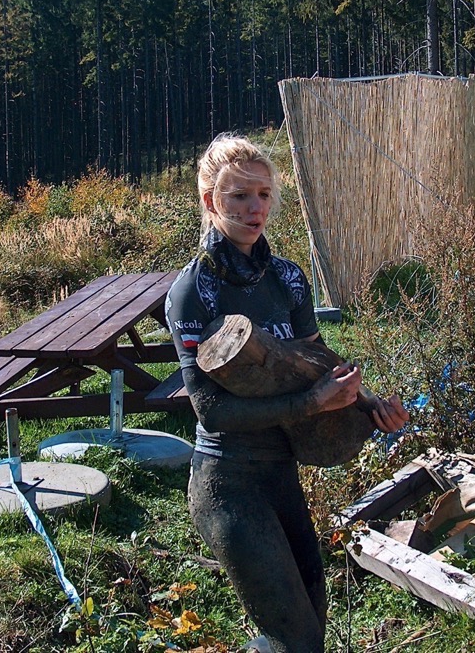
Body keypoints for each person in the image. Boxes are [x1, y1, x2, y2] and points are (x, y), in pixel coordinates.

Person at [165, 134, 409, 653]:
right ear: (210, 200)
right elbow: (211, 411)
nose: (255, 208)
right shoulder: (193, 290)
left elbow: (318, 364)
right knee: (295, 638)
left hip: (282, 475)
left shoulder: (289, 279)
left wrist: (370, 405)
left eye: (263, 195)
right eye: (239, 196)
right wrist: (310, 403)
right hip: (227, 483)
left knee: (309, 629)